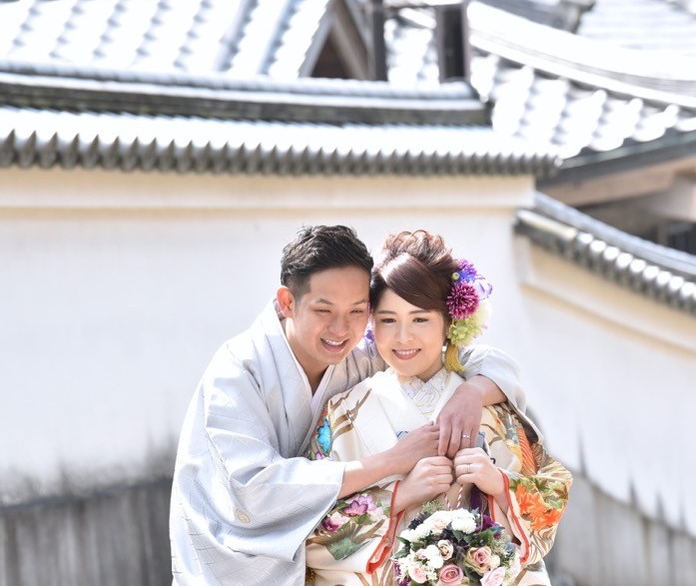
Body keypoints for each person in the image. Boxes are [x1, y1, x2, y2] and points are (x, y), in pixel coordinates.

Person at [170, 225, 525, 586]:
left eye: (357, 311)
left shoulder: (352, 360)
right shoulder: (237, 370)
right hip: (233, 565)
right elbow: (254, 488)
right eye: (324, 310)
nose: (341, 329)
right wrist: (389, 464)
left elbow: (467, 357)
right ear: (287, 302)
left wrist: (473, 393)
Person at [304, 229, 571, 586]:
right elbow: (310, 530)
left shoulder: (489, 408)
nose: (403, 337)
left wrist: (498, 484)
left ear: (449, 323)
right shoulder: (343, 412)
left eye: (420, 319)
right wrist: (399, 496)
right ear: (371, 323)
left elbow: (548, 502)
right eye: (387, 320)